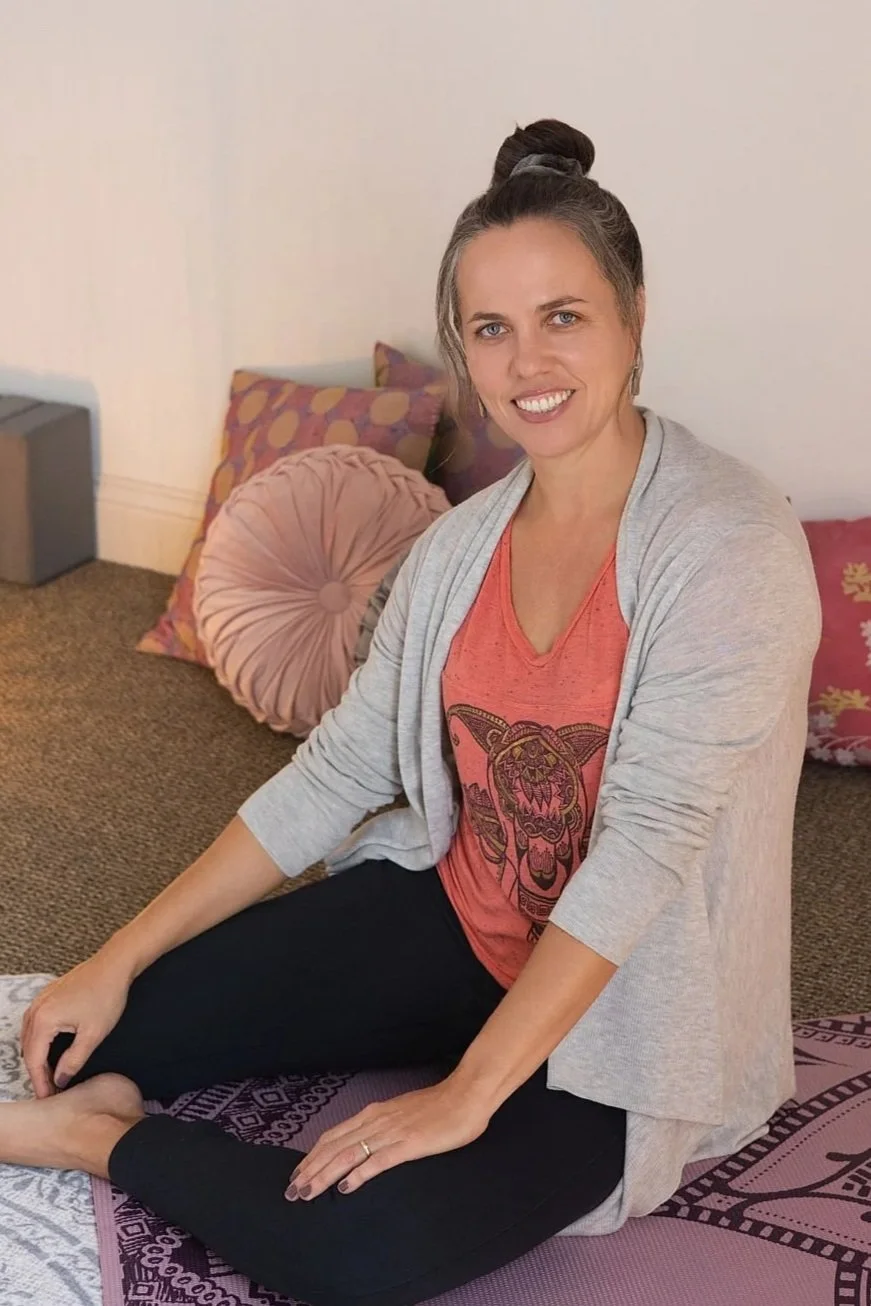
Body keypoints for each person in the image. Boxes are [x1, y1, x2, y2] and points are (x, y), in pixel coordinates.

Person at [2, 119, 820, 1306]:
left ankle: (98, 1143)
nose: (527, 361)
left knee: (363, 1249)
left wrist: (466, 1094)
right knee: (99, 1033)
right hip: (457, 922)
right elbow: (335, 772)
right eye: (491, 328)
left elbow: (645, 846)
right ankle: (107, 1091)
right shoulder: (455, 552)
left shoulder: (729, 544)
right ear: (465, 349)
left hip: (623, 1005)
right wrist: (112, 956)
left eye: (563, 315)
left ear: (634, 318)